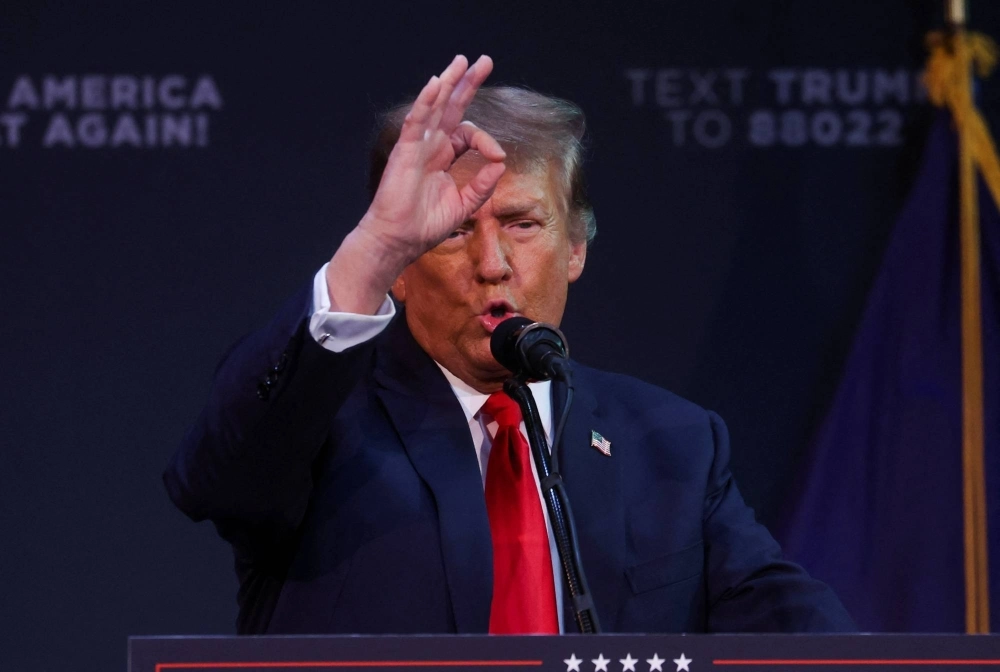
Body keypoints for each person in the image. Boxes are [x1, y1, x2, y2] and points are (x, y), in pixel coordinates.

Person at [164, 55, 854, 635]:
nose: (492, 262)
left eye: (523, 223)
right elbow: (213, 478)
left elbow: (794, 629)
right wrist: (372, 246)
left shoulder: (675, 445)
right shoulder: (322, 424)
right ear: (402, 266)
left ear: (576, 247)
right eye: (454, 229)